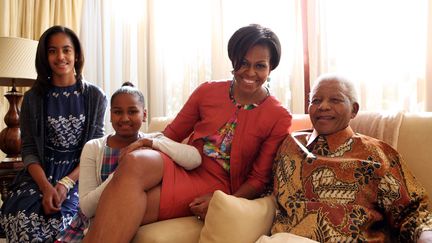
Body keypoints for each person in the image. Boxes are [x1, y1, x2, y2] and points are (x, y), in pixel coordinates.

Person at [83, 24, 292, 242]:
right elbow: (171, 134)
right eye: (243, 63)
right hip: (187, 163)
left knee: (120, 211)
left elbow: (259, 179)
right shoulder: (208, 91)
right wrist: (145, 143)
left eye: (260, 66)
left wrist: (225, 202)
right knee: (136, 160)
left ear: (271, 68)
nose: (250, 72)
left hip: (218, 183)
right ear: (233, 60)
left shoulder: (278, 116)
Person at [270, 73, 432, 242]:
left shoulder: (376, 155)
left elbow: (411, 213)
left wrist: (426, 235)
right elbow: (264, 187)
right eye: (316, 100)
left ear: (353, 110)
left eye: (335, 100)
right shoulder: (290, 144)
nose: (323, 106)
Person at [56, 82, 201, 242]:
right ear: (110, 114)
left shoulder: (154, 141)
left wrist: (151, 143)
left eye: (132, 111)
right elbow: (87, 207)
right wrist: (124, 171)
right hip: (92, 225)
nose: (125, 118)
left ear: (144, 114)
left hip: (132, 220)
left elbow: (195, 159)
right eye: (118, 112)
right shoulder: (93, 147)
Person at [0, 25, 107, 242]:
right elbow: (28, 149)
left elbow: (96, 149)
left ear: (76, 55)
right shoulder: (32, 98)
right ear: (45, 56)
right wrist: (46, 187)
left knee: (66, 226)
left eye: (66, 50)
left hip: (80, 178)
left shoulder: (95, 96)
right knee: (23, 222)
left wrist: (66, 183)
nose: (60, 57)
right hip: (39, 177)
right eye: (52, 51)